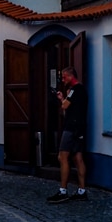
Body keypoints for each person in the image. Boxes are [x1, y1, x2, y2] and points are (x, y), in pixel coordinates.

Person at [47, 66, 88, 204]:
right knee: (78, 158)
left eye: (64, 77)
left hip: (71, 128)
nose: (63, 80)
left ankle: (63, 190)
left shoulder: (75, 89)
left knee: (62, 157)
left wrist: (62, 99)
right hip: (80, 128)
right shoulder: (81, 90)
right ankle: (82, 191)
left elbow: (64, 106)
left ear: (71, 77)